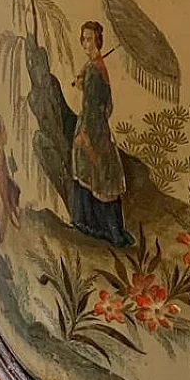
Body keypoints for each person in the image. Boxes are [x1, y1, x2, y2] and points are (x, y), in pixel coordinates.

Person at [69, 20, 133, 247]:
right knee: (92, 175)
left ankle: (110, 232)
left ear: (98, 40)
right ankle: (95, 227)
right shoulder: (94, 66)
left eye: (90, 39)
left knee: (102, 177)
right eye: (83, 38)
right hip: (93, 127)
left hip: (92, 130)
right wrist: (82, 84)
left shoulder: (96, 71)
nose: (86, 43)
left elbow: (96, 108)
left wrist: (85, 135)